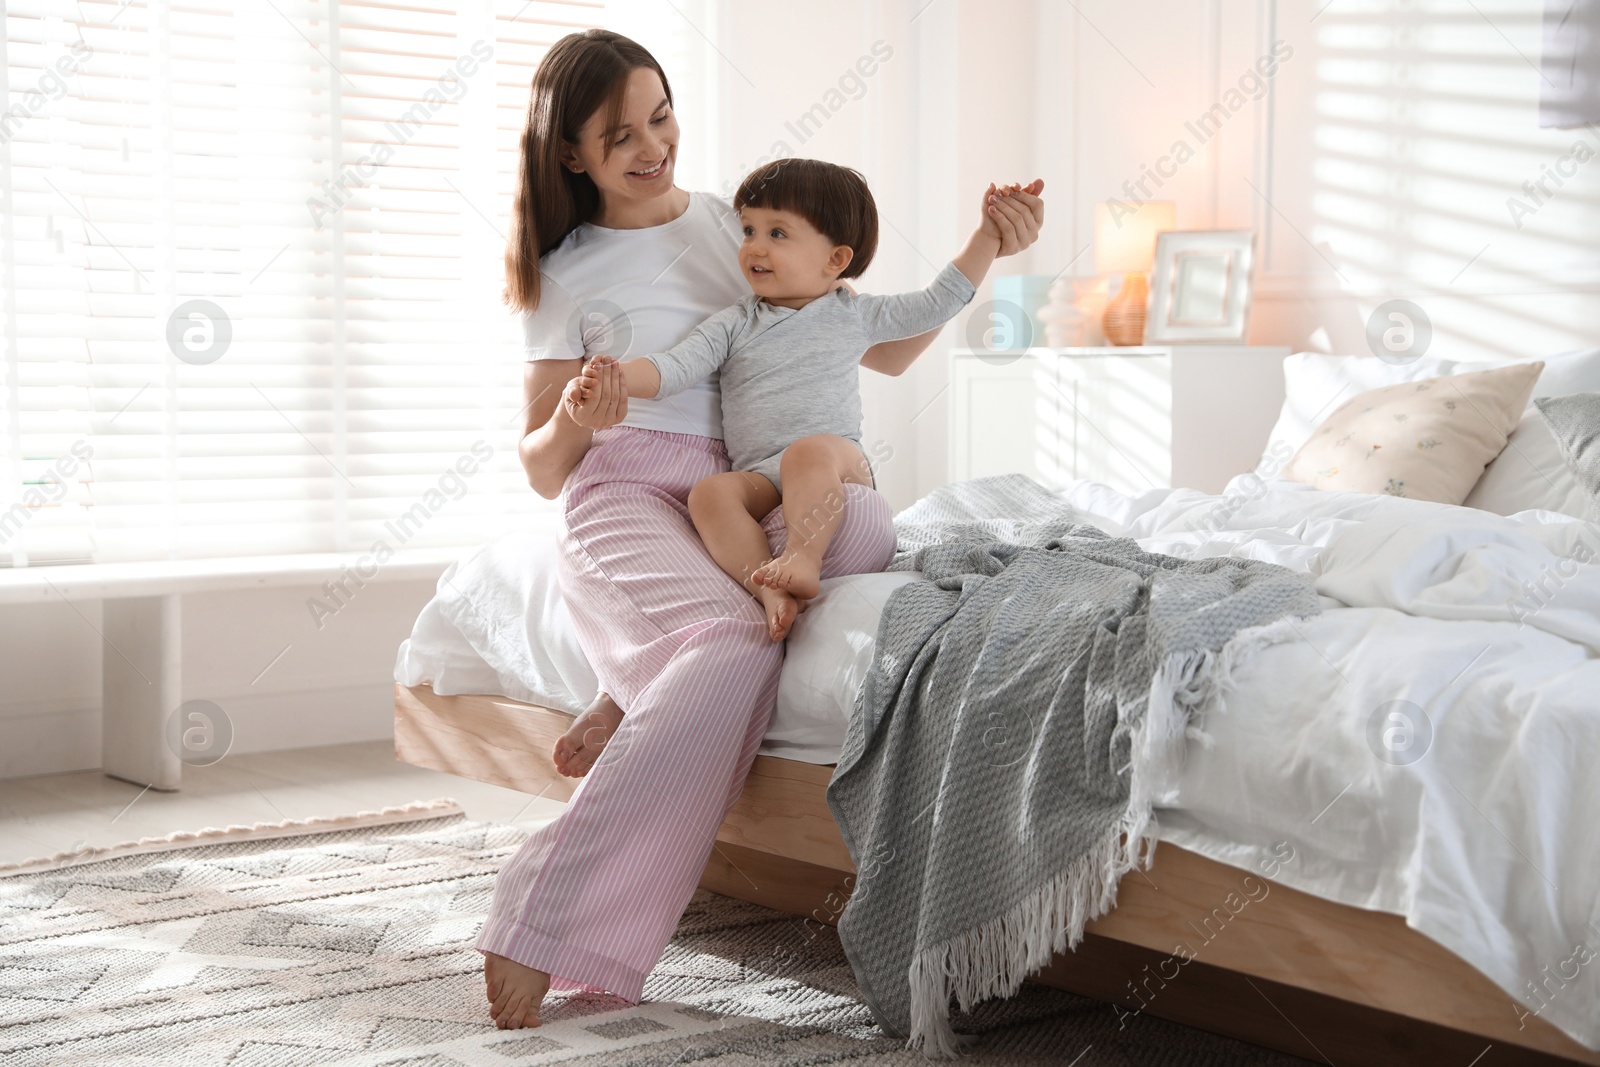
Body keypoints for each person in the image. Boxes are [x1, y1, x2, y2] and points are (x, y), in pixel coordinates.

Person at [475, 28, 1045, 1031]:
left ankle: (627, 688)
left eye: (662, 115)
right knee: (740, 637)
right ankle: (542, 915)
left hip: (746, 487)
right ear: (571, 154)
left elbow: (871, 346)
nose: (654, 144)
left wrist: (987, 248)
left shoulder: (726, 223)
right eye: (621, 135)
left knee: (857, 524)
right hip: (630, 492)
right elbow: (537, 466)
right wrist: (573, 418)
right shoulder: (565, 273)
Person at [571, 158, 1015, 641]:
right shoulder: (735, 322)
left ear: (835, 261)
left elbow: (937, 302)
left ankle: (802, 557)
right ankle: (766, 586)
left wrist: (988, 237)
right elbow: (674, 367)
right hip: (764, 474)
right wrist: (613, 375)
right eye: (748, 230)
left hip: (837, 461)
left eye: (777, 234)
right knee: (711, 493)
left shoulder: (854, 315)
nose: (754, 248)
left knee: (808, 452)